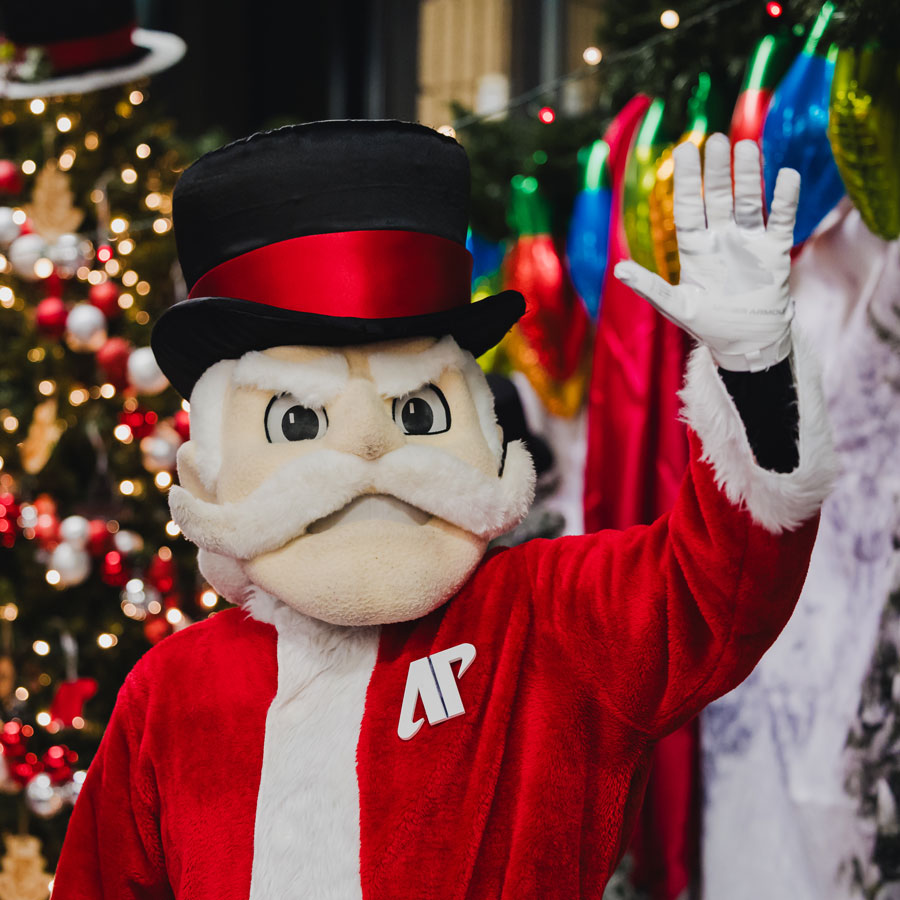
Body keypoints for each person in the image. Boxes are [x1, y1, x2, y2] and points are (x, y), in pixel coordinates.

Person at [52, 120, 837, 899]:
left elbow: (716, 585)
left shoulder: (546, 622)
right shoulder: (174, 694)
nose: (366, 451)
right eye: (298, 419)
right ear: (216, 457)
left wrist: (755, 377)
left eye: (415, 412)